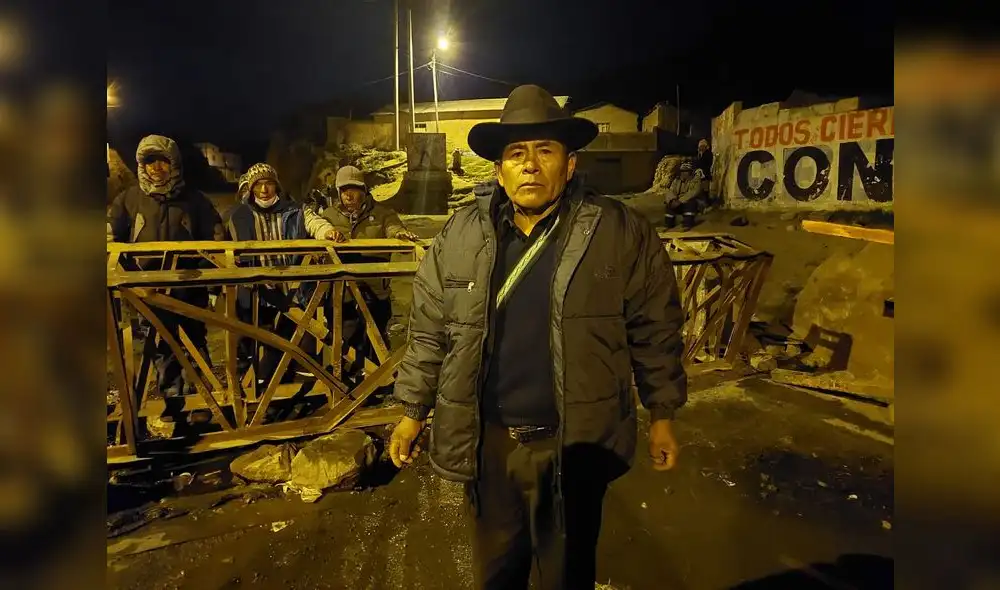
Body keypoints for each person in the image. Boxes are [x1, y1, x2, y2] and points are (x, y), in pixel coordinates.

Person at [389, 84, 687, 590]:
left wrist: (662, 414)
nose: (530, 165)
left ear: (569, 165)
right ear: (499, 170)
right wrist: (411, 412)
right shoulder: (460, 236)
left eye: (545, 152)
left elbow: (654, 327)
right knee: (497, 573)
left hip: (573, 442)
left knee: (566, 575)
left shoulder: (618, 230)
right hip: (491, 444)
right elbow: (430, 331)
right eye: (516, 154)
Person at [107, 134, 226, 397]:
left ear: (173, 163)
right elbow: (110, 234)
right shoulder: (128, 200)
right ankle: (173, 401)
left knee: (195, 342)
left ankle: (202, 402)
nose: (156, 168)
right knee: (160, 347)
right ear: (142, 165)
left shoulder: (196, 201)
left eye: (162, 161)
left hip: (189, 289)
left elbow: (217, 240)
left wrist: (214, 285)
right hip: (146, 292)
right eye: (150, 162)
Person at [226, 162, 337, 386]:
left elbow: (315, 222)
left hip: (292, 289)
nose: (264, 190)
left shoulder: (295, 210)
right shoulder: (239, 215)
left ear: (276, 186)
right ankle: (262, 386)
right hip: (257, 292)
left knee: (294, 339)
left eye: (268, 184)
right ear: (251, 188)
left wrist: (328, 232)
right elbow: (226, 244)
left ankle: (294, 387)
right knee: (261, 342)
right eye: (259, 185)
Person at [319, 165, 418, 381]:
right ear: (338, 192)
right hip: (341, 288)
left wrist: (399, 233)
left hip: (375, 286)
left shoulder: (382, 213)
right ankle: (344, 376)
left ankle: (375, 380)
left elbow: (392, 227)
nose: (349, 195)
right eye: (344, 189)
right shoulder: (329, 216)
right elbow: (317, 234)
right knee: (345, 332)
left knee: (374, 332)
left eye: (354, 189)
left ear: (364, 190)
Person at [664, 160, 706, 230]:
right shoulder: (677, 180)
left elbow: (693, 193)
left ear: (690, 172)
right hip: (679, 202)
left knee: (690, 203)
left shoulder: (696, 180)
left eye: (686, 171)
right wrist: (672, 200)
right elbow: (671, 191)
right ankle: (668, 225)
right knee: (669, 204)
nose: (684, 173)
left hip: (695, 203)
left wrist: (680, 201)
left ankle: (687, 224)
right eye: (682, 171)